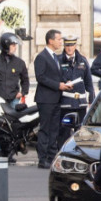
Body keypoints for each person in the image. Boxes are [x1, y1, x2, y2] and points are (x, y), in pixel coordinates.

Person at [34, 29, 71, 168]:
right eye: (59, 39)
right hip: (46, 99)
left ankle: (51, 156)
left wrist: (66, 84)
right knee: (45, 128)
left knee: (54, 129)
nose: (61, 42)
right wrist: (58, 85)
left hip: (56, 98)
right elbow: (41, 77)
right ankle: (42, 159)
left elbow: (57, 76)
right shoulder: (42, 57)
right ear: (51, 40)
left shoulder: (56, 57)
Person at [58, 35, 96, 145]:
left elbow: (89, 83)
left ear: (75, 45)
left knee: (81, 132)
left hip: (80, 105)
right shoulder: (59, 60)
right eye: (67, 45)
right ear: (64, 46)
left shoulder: (82, 60)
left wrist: (91, 100)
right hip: (65, 104)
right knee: (64, 133)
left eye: (72, 45)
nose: (69, 48)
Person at [0, 32, 29, 108]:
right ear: (6, 46)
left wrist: (23, 92)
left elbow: (25, 80)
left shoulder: (20, 63)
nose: (15, 47)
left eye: (15, 45)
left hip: (14, 99)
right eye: (13, 45)